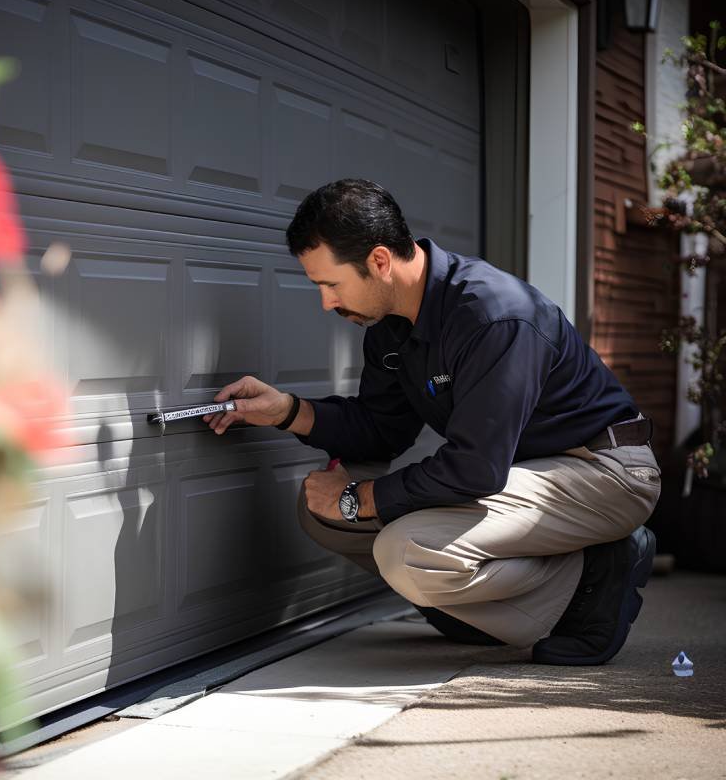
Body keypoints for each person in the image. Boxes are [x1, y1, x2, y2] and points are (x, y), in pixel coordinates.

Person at [202, 178, 660, 665]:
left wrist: (358, 498)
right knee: (322, 514)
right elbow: (380, 430)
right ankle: (473, 607)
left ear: (380, 261)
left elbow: (475, 469)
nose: (326, 303)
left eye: (330, 284)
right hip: (520, 474)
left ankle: (596, 572)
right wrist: (288, 411)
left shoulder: (494, 316)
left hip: (604, 470)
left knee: (405, 550)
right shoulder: (391, 329)